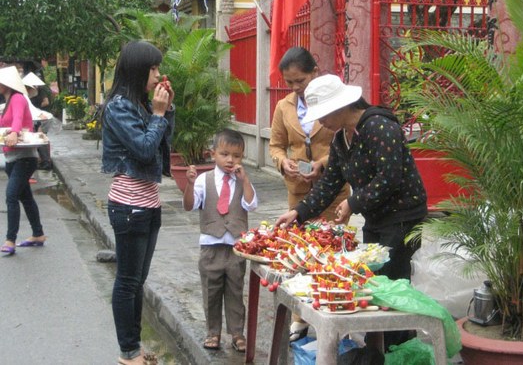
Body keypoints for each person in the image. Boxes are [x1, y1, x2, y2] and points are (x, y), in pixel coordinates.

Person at [275, 74, 428, 350]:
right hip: (377, 217)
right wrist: (298, 213)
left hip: (403, 216)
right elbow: (331, 183)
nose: (321, 123)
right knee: (378, 283)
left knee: (392, 284)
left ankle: (396, 349)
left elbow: (389, 178)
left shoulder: (379, 127)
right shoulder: (340, 140)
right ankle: (381, 347)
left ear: (341, 106)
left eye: (323, 115)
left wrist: (353, 204)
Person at [269, 46, 350, 341]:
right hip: (299, 190)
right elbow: (276, 144)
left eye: (300, 81)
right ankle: (299, 317)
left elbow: (344, 139)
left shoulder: (333, 101)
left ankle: (331, 310)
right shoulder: (283, 107)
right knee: (300, 254)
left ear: (314, 72)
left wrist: (324, 163)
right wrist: (283, 162)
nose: (295, 88)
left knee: (330, 253)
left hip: (333, 189)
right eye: (289, 82)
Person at [101, 41, 175, 365]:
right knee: (127, 281)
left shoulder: (141, 105)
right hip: (129, 206)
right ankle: (128, 352)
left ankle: (134, 348)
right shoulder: (118, 106)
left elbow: (161, 149)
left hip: (148, 203)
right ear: (138, 71)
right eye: (153, 68)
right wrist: (158, 115)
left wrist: (166, 111)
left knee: (137, 282)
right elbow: (144, 150)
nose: (158, 74)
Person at [183, 128, 257, 353]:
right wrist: (188, 184)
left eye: (236, 156)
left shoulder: (241, 180)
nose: (230, 160)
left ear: (242, 158)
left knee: (235, 291)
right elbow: (189, 205)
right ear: (212, 153)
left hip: (236, 247)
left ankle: (237, 333)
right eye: (224, 154)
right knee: (211, 291)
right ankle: (213, 332)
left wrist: (244, 181)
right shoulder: (204, 180)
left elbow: (251, 204)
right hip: (210, 247)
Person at [0, 66, 47, 255]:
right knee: (25, 197)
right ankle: (38, 234)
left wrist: (14, 131)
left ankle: (10, 240)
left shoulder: (18, 98)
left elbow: (18, 119)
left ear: (6, 84)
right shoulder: (7, 101)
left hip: (24, 158)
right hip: (12, 157)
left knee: (11, 195)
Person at [22, 72, 53, 170]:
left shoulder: (41, 90)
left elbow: (46, 102)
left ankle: (45, 161)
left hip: (39, 117)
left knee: (40, 137)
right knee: (39, 137)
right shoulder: (24, 95)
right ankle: (43, 160)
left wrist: (37, 111)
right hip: (36, 117)